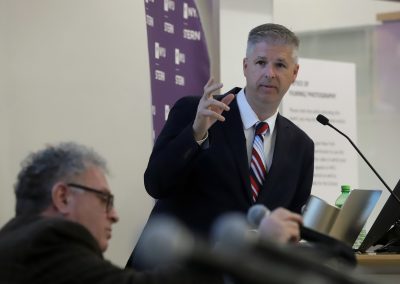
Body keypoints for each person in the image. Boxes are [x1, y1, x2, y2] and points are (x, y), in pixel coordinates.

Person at [129, 23, 314, 269]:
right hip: (174, 271)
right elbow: (156, 184)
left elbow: (289, 225)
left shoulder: (301, 146)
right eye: (260, 62)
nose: (269, 73)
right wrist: (195, 133)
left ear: (295, 73)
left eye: (280, 65)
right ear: (246, 66)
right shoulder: (196, 111)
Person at [0, 142, 222, 284]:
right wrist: (228, 262)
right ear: (63, 197)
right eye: (104, 199)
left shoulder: (14, 242)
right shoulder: (47, 242)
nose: (114, 215)